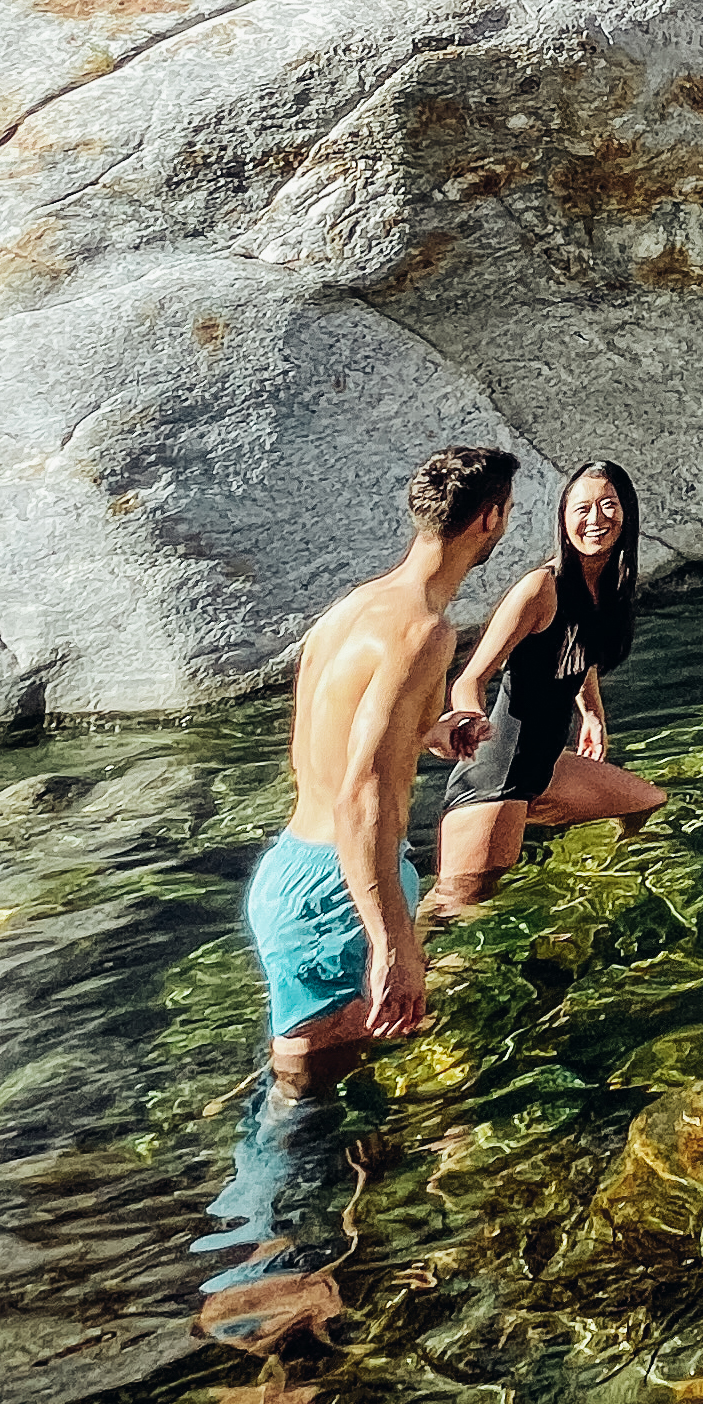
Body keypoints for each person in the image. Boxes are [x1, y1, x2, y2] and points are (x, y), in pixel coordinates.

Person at [244, 441, 519, 1094]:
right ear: (490, 520)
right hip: (339, 887)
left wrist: (432, 732)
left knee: (316, 1099)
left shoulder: (352, 610)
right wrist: (393, 946)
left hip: (292, 868)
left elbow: (322, 744)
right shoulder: (424, 632)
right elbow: (361, 795)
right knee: (317, 1127)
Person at [435, 458, 667, 910]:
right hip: (497, 778)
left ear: (627, 513)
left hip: (544, 767)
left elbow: (580, 654)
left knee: (646, 802)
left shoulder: (609, 586)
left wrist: (593, 715)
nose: (596, 520)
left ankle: (592, 890)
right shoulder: (540, 588)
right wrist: (469, 718)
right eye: (582, 509)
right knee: (455, 923)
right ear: (563, 518)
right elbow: (470, 678)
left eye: (608, 505)